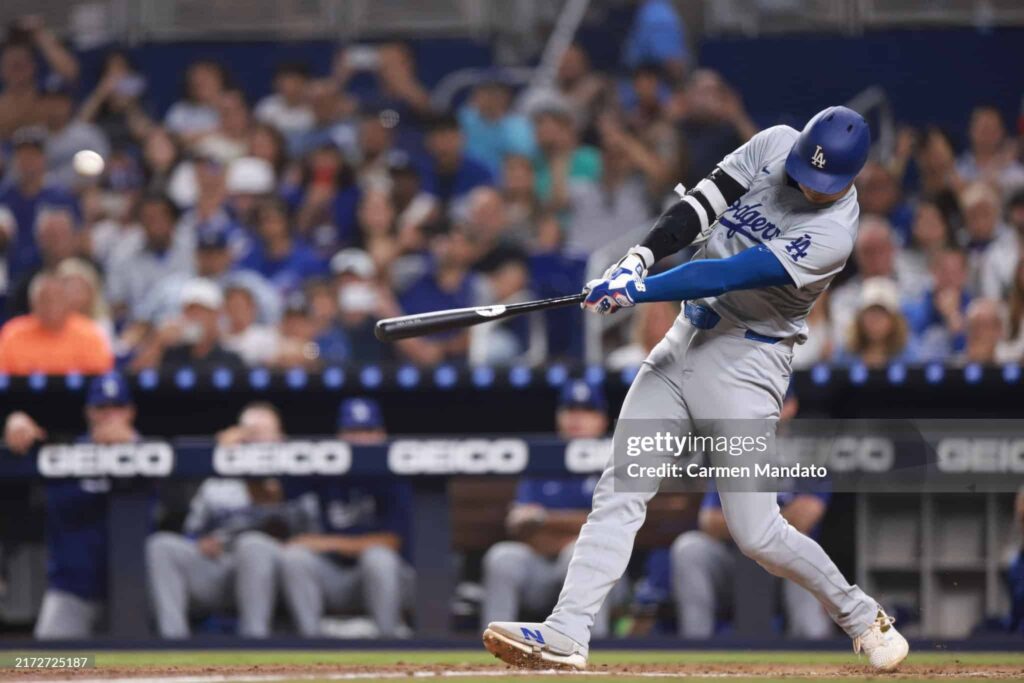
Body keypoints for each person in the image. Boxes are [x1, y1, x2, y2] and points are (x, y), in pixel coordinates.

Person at [482, 106, 909, 672]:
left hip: (747, 365)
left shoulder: (833, 234)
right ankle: (567, 631)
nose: (808, 185)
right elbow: (702, 203)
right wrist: (637, 257)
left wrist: (638, 289)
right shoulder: (776, 144)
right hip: (685, 337)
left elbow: (727, 273)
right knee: (620, 489)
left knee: (756, 533)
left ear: (851, 180)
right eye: (806, 170)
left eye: (823, 183)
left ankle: (861, 616)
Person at [146, 403, 317, 638]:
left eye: (262, 434)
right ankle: (173, 643)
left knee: (253, 545)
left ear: (280, 438)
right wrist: (201, 542)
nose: (255, 441)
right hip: (223, 567)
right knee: (161, 545)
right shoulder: (218, 482)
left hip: (275, 574)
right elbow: (192, 531)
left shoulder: (296, 479)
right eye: (249, 434)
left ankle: (254, 639)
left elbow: (311, 540)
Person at [671, 393, 833, 639]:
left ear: (791, 406)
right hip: (733, 559)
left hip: (786, 563)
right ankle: (696, 647)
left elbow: (805, 517)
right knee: (689, 548)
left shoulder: (809, 453)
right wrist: (769, 521)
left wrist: (745, 520)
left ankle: (813, 649)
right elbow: (709, 521)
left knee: (805, 550)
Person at [3, 371, 139, 638]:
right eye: (102, 408)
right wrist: (13, 421)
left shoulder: (151, 451)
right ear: (89, 412)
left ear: (130, 412)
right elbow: (25, 438)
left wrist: (132, 448)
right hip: (72, 591)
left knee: (161, 663)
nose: (110, 416)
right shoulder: (65, 453)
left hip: (135, 591)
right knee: (43, 666)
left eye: (118, 407)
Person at [480, 380, 620, 637]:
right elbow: (520, 528)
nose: (576, 418)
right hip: (541, 570)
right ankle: (496, 644)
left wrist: (545, 520)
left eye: (587, 411)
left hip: (605, 577)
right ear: (559, 417)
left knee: (578, 552)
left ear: (602, 420)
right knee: (503, 556)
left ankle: (593, 648)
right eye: (570, 410)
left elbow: (610, 530)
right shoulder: (543, 458)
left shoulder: (614, 460)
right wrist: (569, 527)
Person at [278, 398, 414, 638]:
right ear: (340, 436)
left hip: (389, 578)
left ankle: (389, 640)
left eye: (367, 431)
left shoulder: (395, 475)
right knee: (294, 557)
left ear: (381, 434)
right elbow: (274, 493)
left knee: (378, 557)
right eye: (353, 431)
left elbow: (391, 542)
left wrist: (326, 543)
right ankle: (309, 644)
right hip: (335, 575)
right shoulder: (326, 469)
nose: (360, 439)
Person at [0, 125, 78, 279]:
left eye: (33, 155)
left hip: (49, 273)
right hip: (10, 272)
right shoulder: (4, 195)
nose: (27, 161)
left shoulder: (60, 197)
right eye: (22, 155)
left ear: (44, 158)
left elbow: (75, 240)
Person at [0, 271, 113, 375]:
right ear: (33, 303)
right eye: (45, 300)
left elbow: (101, 377)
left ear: (68, 302)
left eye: (58, 299)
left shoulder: (89, 334)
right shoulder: (14, 334)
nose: (52, 306)